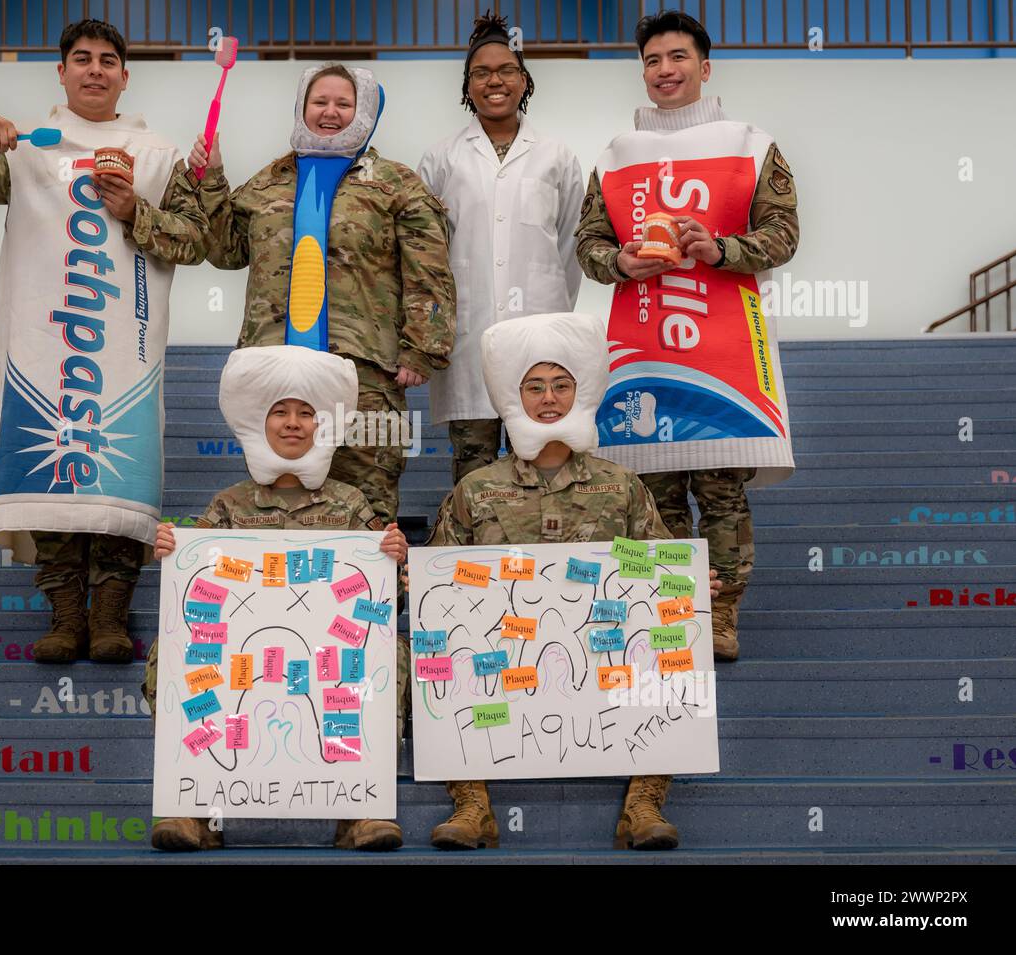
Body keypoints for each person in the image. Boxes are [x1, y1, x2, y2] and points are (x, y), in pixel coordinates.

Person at [0, 19, 212, 666]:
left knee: (120, 473)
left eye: (108, 60)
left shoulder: (157, 154)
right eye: (82, 59)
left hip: (124, 347)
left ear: (125, 76)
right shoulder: (26, 147)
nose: (95, 70)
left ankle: (109, 617)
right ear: (61, 71)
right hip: (44, 346)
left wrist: (137, 210)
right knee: (49, 465)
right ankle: (63, 614)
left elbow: (199, 239)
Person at [426, 312, 721, 851]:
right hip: (506, 650)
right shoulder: (477, 488)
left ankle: (644, 804)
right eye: (534, 387)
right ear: (515, 398)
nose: (548, 398)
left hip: (597, 645)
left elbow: (655, 567)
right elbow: (436, 586)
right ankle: (472, 807)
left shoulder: (620, 486)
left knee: (674, 641)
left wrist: (692, 588)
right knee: (439, 647)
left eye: (562, 385)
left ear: (578, 393)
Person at [574, 9, 799, 662]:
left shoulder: (750, 144)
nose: (664, 71)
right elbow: (589, 242)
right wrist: (619, 262)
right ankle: (673, 606)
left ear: (704, 66)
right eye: (651, 60)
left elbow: (783, 234)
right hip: (642, 344)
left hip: (723, 341)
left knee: (721, 487)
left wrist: (720, 248)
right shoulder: (618, 153)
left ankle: (722, 613)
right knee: (653, 488)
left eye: (677, 58)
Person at [142, 346, 412, 852]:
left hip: (329, 653)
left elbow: (382, 606)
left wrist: (394, 563)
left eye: (306, 413)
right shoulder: (228, 505)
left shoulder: (352, 503)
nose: (293, 424)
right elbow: (191, 594)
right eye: (280, 413)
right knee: (172, 655)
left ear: (321, 426)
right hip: (242, 654)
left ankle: (361, 807)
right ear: (259, 424)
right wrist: (172, 553)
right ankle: (195, 806)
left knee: (389, 654)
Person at [187, 63, 456, 526]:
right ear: (302, 107)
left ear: (365, 111)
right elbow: (227, 250)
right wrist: (211, 180)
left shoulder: (396, 183)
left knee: (368, 506)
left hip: (364, 371)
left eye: (343, 104)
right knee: (274, 501)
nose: (330, 113)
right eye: (320, 102)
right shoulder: (269, 180)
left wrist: (421, 349)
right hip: (273, 367)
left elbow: (428, 269)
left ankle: (369, 599)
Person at [417, 11, 585, 484]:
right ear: (467, 85)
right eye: (482, 72)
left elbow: (572, 245)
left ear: (524, 79)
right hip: (468, 337)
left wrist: (553, 309)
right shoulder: (441, 157)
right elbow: (427, 253)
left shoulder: (557, 154)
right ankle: (475, 559)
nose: (495, 81)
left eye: (507, 70)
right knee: (474, 474)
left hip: (541, 334)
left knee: (547, 465)